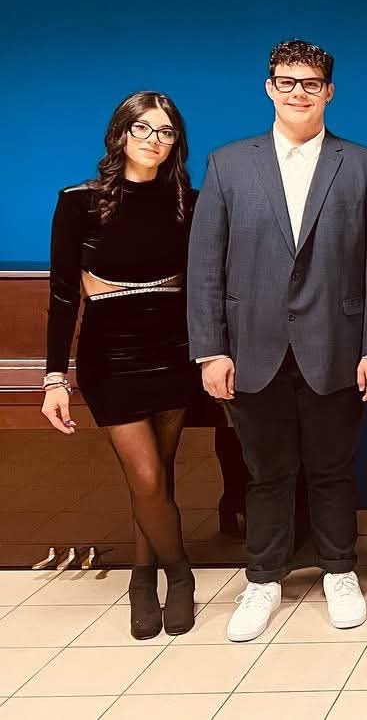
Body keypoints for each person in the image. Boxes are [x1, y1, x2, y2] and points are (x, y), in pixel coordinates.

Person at [188, 39, 367, 643]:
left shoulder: (365, 166)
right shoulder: (228, 164)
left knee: (333, 470)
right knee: (265, 474)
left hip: (337, 347)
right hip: (250, 351)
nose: (298, 93)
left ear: (329, 91)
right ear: (269, 88)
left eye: (311, 83)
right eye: (287, 82)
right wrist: (211, 350)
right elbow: (205, 267)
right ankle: (263, 580)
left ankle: (339, 570)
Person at [42, 92, 202, 639]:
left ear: (176, 142)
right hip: (110, 357)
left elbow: (206, 285)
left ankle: (142, 576)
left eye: (166, 132)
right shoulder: (79, 202)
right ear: (120, 134)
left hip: (174, 351)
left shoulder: (190, 202)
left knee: (159, 474)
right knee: (147, 476)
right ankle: (178, 574)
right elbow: (63, 294)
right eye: (143, 129)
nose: (154, 141)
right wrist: (54, 377)